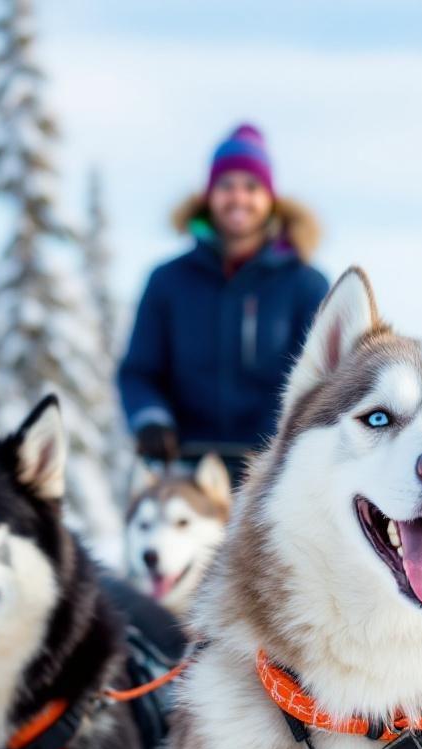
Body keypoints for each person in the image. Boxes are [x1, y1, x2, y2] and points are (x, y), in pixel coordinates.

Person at [118, 124, 329, 481]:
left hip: (274, 471)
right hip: (184, 469)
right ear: (209, 195)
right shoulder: (167, 281)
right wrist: (150, 419)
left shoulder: (305, 285)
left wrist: (284, 438)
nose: (238, 198)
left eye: (251, 187)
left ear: (270, 198)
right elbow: (139, 371)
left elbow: (322, 376)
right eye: (226, 185)